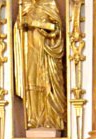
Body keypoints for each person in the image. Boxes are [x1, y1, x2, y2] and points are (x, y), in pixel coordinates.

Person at [13, 0, 66, 130]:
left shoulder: (49, 4)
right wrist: (20, 25)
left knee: (47, 82)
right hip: (29, 52)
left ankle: (51, 120)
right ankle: (34, 119)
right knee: (31, 82)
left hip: (46, 52)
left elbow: (57, 30)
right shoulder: (24, 6)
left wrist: (37, 24)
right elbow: (17, 31)